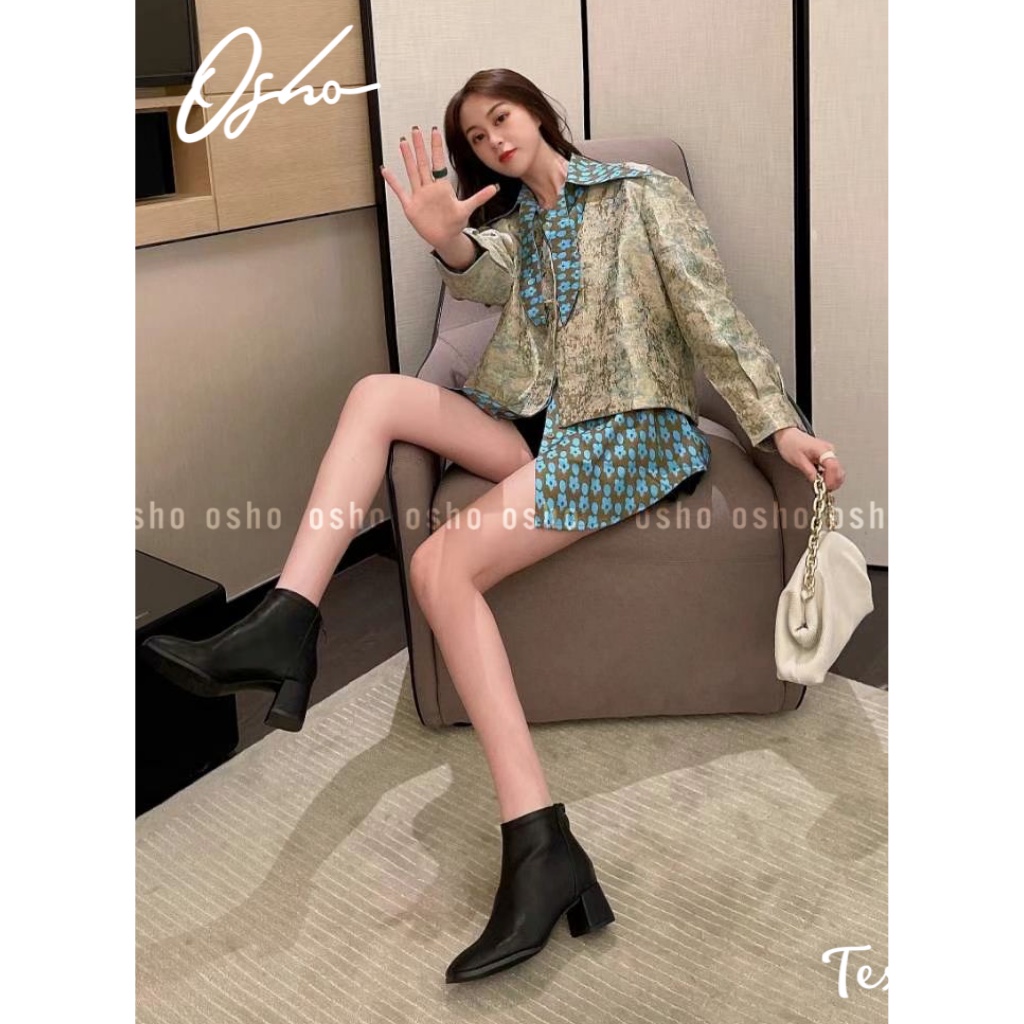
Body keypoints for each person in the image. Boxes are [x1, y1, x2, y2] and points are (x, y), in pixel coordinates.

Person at [141, 67, 847, 985]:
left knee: (439, 568)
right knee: (377, 395)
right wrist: (448, 240)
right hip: (534, 427)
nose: (493, 140)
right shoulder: (516, 226)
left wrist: (780, 427)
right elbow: (485, 275)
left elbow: (715, 320)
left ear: (540, 112)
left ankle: (541, 844)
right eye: (475, 136)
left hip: (629, 432)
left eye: (501, 118)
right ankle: (288, 620)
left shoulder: (641, 193)